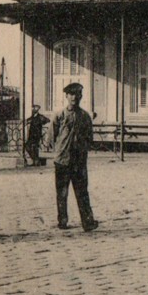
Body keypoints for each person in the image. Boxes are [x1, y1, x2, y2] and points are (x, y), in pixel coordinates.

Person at [51, 83, 98, 232]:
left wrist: (81, 149)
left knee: (82, 192)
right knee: (62, 192)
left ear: (81, 96)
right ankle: (62, 220)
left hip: (78, 161)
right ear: (66, 96)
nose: (74, 97)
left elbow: (90, 138)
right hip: (62, 161)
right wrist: (60, 149)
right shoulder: (59, 116)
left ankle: (87, 221)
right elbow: (51, 137)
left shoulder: (85, 117)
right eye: (71, 94)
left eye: (77, 94)